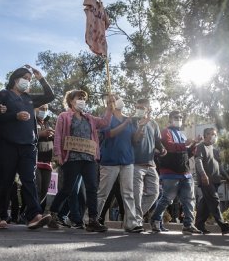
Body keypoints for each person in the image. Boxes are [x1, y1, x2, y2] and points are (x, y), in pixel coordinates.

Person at [0, 65, 54, 229]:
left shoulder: (29, 98)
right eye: (25, 78)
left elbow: (50, 95)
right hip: (7, 145)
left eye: (30, 79)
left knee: (29, 180)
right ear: (15, 78)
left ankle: (34, 215)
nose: (27, 81)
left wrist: (41, 78)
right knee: (5, 181)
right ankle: (1, 215)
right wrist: (14, 115)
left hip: (28, 146)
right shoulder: (3, 95)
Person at [48, 90, 113, 232]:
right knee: (67, 188)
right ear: (71, 101)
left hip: (89, 158)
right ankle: (52, 214)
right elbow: (58, 135)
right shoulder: (64, 117)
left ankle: (93, 220)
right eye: (79, 98)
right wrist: (58, 154)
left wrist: (109, 108)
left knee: (92, 188)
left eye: (84, 98)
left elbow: (104, 123)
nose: (82, 100)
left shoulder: (89, 118)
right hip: (72, 158)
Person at [150, 110, 202, 234]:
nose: (179, 119)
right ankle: (155, 219)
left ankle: (188, 224)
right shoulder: (165, 132)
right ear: (170, 119)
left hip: (185, 172)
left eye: (180, 117)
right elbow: (169, 147)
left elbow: (187, 153)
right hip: (169, 171)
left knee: (189, 199)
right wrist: (186, 144)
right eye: (176, 117)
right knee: (167, 198)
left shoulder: (182, 135)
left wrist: (194, 144)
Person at [96, 95, 141, 232]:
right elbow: (109, 134)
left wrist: (140, 130)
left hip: (127, 160)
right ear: (108, 104)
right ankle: (90, 219)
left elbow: (134, 139)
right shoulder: (106, 119)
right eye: (112, 100)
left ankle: (131, 223)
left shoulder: (130, 120)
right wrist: (125, 123)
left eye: (117, 98)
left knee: (128, 193)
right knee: (103, 193)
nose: (116, 101)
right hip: (110, 161)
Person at [132, 99, 167, 230]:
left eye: (142, 107)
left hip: (151, 164)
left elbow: (157, 141)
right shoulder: (132, 121)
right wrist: (140, 126)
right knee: (137, 194)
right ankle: (136, 222)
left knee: (154, 193)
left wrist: (162, 149)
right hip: (135, 164)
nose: (139, 109)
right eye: (137, 107)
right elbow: (133, 141)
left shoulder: (153, 124)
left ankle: (135, 217)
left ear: (148, 109)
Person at [194, 127, 229, 234]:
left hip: (216, 181)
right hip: (206, 180)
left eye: (215, 134)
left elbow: (219, 166)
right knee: (215, 200)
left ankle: (198, 225)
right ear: (206, 135)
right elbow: (198, 161)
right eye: (211, 134)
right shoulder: (200, 146)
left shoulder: (215, 149)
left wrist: (227, 176)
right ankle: (224, 226)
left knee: (206, 204)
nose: (214, 136)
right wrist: (203, 175)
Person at [34, 104, 54, 212]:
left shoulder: (48, 123)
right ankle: (32, 213)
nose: (44, 111)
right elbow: (27, 136)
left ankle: (39, 213)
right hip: (34, 160)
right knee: (36, 188)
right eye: (42, 108)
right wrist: (40, 134)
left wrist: (53, 135)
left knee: (44, 190)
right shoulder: (31, 121)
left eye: (46, 109)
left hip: (47, 162)